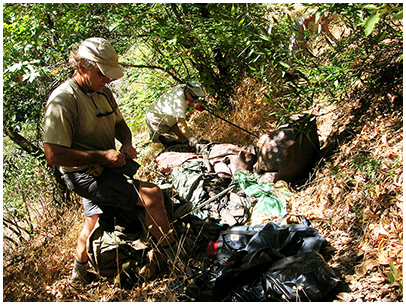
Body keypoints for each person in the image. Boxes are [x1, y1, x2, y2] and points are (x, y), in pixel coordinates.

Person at [43, 37, 179, 284]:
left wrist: (126, 143)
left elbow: (120, 125)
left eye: (109, 76)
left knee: (92, 222)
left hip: (106, 167)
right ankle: (173, 260)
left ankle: (78, 275)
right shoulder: (64, 100)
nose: (107, 80)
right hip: (84, 175)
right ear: (82, 67)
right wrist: (101, 156)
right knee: (152, 195)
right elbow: (53, 155)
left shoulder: (102, 92)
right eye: (102, 74)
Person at [145, 81, 205, 147]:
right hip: (156, 118)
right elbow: (181, 124)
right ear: (187, 92)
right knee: (167, 144)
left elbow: (186, 98)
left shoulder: (186, 87)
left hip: (170, 117)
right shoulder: (178, 101)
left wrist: (194, 105)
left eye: (197, 97)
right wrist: (192, 139)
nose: (196, 99)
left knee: (185, 140)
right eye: (194, 97)